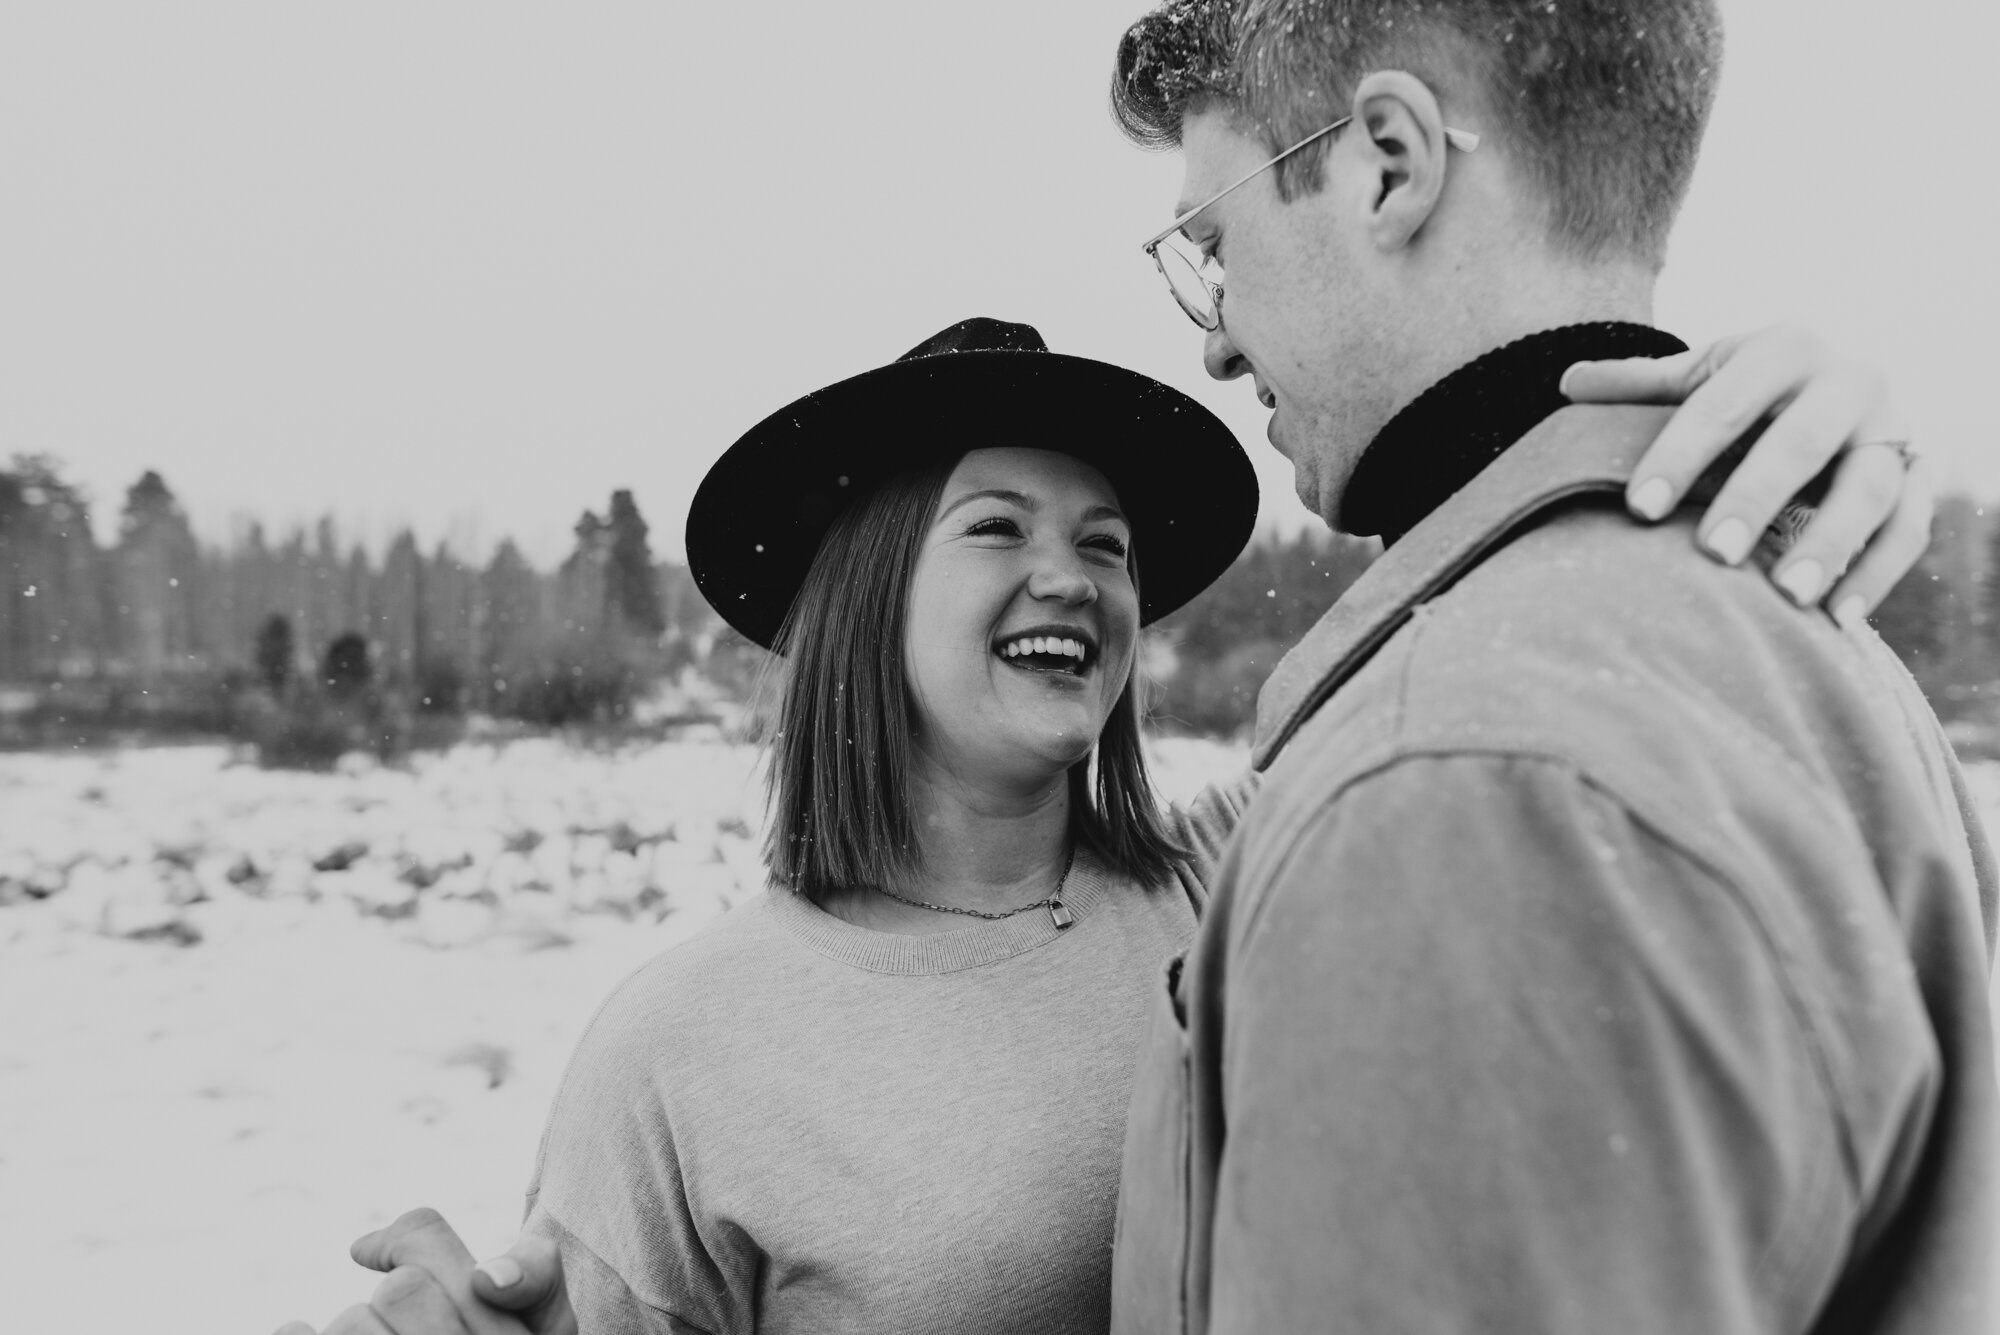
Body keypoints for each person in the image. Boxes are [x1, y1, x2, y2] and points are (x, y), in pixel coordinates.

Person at [279, 310, 1939, 1335]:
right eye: (997, 526)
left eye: (1108, 543)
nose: (1073, 574)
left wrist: (1767, 398)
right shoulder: (682, 1051)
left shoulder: (1240, 876)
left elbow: (1538, 659)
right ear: (865, 601)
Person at [1091, 2, 1997, 1333]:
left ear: (1389, 163)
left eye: (1213, 245)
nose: (1216, 338)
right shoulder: (1803, 631)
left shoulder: (1458, 786)